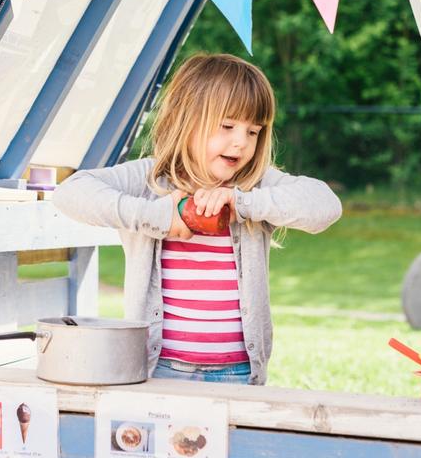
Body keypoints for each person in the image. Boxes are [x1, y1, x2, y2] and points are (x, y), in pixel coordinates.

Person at [52, 53, 341, 385]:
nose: (241, 142)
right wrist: (158, 216)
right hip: (159, 367)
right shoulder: (151, 180)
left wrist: (242, 202)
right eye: (228, 126)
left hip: (238, 372)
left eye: (254, 131)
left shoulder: (254, 186)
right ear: (186, 121)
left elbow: (325, 206)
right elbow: (71, 192)